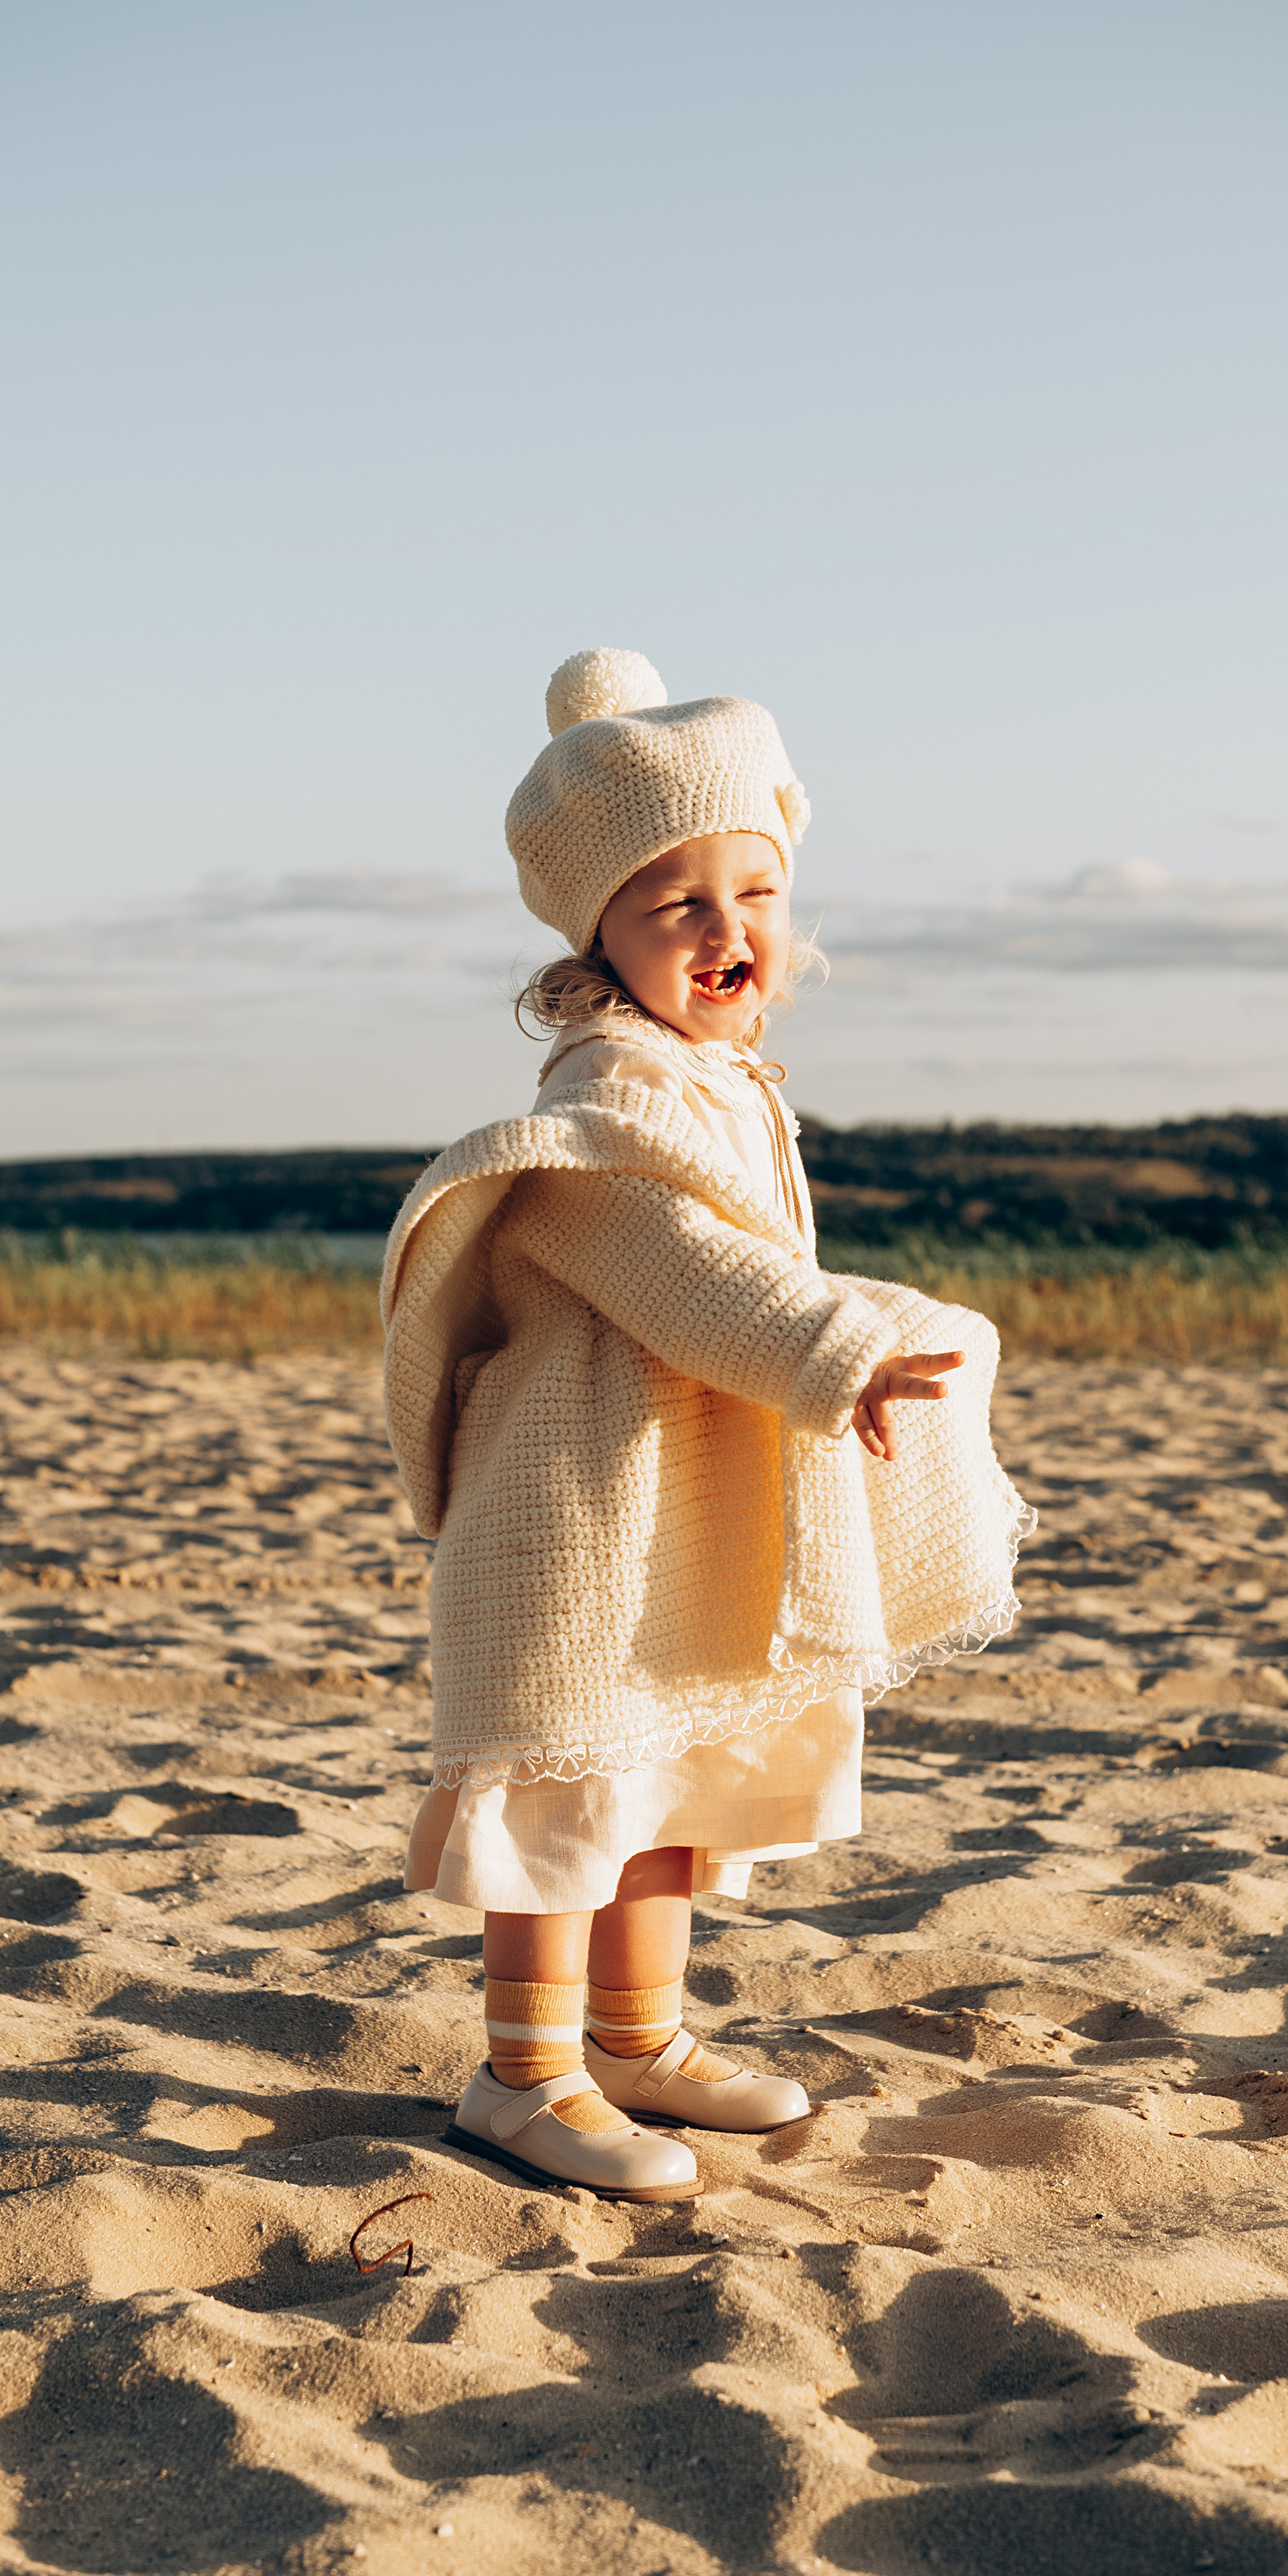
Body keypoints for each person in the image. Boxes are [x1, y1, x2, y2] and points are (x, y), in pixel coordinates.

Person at [382, 647, 1033, 2203]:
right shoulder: (605, 1093)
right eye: (676, 903)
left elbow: (752, 1258)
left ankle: (635, 2037)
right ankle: (520, 2076)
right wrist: (831, 1348)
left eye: (755, 892)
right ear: (596, 936)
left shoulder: (720, 1077)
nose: (726, 929)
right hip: (581, 1508)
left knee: (663, 1783)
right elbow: (683, 1267)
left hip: (681, 1498)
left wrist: (876, 1326)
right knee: (569, 1786)